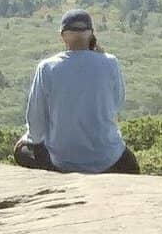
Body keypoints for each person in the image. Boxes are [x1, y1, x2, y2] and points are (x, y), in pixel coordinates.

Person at [14, 9, 140, 174]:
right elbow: (117, 103)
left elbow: (36, 122)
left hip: (62, 161)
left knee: (20, 151)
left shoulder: (47, 67)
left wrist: (28, 139)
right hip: (107, 158)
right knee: (131, 166)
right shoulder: (110, 63)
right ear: (91, 34)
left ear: (63, 36)